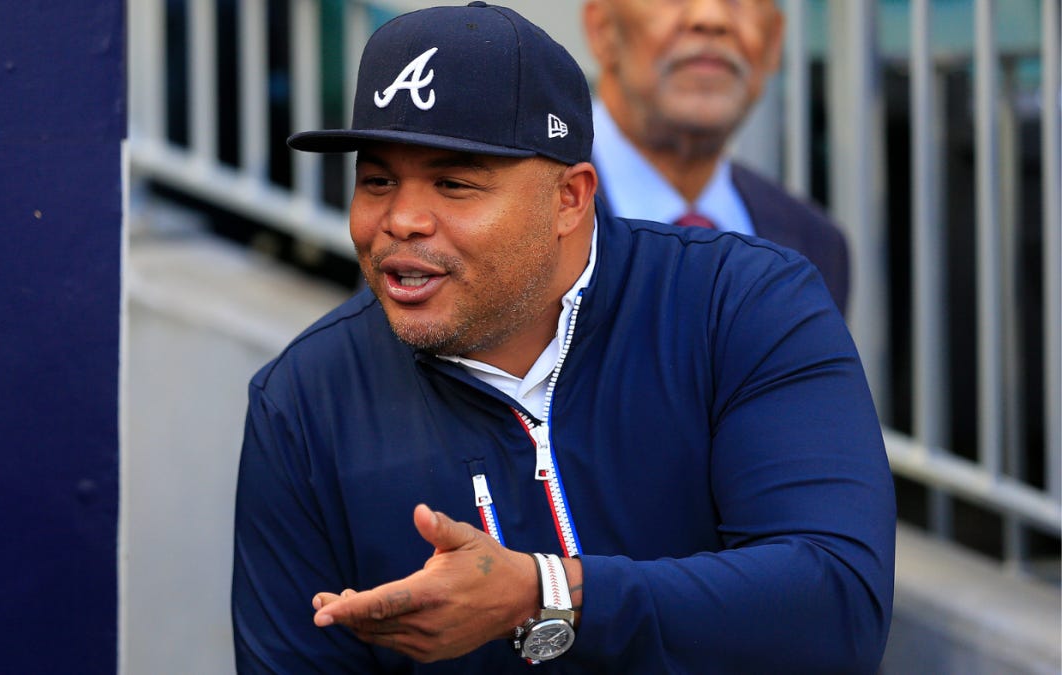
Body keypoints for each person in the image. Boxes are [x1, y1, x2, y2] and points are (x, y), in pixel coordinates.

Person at [232, 2, 895, 672]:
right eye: (377, 181)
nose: (402, 219)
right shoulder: (305, 399)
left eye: (453, 183)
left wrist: (546, 593)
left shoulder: (744, 302)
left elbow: (836, 606)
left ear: (570, 199)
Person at [582, 0, 851, 314]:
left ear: (774, 41)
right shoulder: (538, 210)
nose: (711, 17)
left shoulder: (815, 245)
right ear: (602, 28)